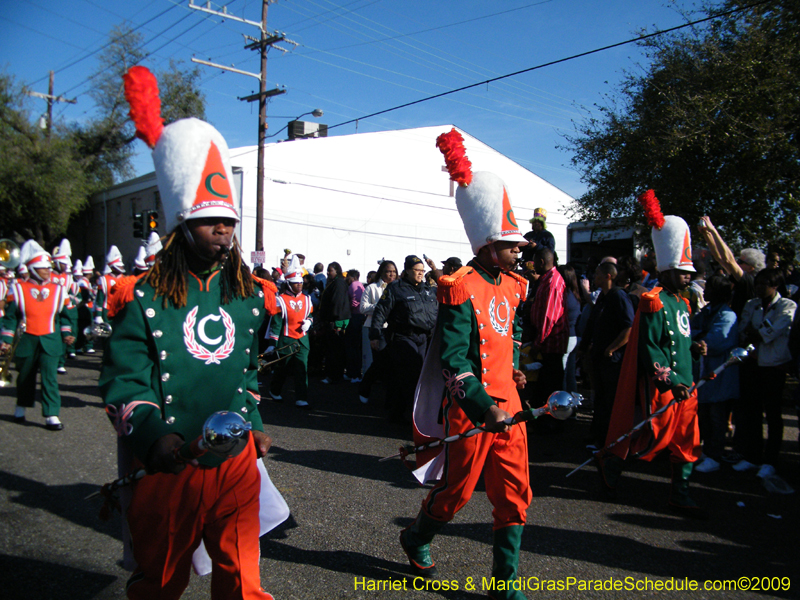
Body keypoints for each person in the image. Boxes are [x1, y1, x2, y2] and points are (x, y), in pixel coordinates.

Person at [98, 66, 278, 600]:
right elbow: (126, 386)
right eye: (209, 220)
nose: (223, 228)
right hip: (170, 461)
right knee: (160, 580)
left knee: (244, 580)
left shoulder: (249, 295)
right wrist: (156, 438)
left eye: (229, 219)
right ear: (180, 226)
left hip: (235, 460)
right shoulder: (143, 295)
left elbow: (246, 373)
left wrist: (256, 422)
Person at [401, 129, 530, 599]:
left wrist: (514, 367)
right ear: (486, 244)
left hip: (511, 408)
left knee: (515, 497)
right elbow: (454, 363)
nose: (520, 251)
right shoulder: (459, 285)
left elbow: (507, 336)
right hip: (474, 411)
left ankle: (505, 584)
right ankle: (416, 536)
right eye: (511, 243)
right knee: (455, 495)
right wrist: (481, 406)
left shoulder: (515, 285)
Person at [598, 190, 708, 517]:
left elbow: (682, 341)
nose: (688, 276)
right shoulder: (653, 301)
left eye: (690, 272)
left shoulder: (684, 302)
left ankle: (680, 494)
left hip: (687, 387)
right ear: (667, 269)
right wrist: (671, 380)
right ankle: (611, 464)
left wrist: (697, 347)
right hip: (663, 387)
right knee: (648, 434)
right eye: (682, 271)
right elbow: (650, 347)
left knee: (687, 442)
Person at [1, 240, 75, 430]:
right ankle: (21, 406)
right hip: (27, 340)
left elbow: (65, 317)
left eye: (48, 267)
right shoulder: (17, 289)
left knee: (50, 378)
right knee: (25, 376)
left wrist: (66, 333)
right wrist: (6, 340)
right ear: (33, 269)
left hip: (50, 340)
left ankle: (52, 414)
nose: (47, 271)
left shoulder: (59, 290)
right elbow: (10, 318)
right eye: (43, 268)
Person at [735, 268, 796, 477]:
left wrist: (758, 332)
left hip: (773, 366)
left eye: (764, 284)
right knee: (751, 411)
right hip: (752, 364)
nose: (759, 287)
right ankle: (752, 456)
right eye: (758, 283)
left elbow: (772, 330)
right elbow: (743, 328)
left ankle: (770, 460)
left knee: (772, 413)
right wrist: (755, 333)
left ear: (775, 285)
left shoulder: (787, 305)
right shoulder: (751, 304)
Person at [369, 255, 437, 423]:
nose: (421, 274)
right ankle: (415, 416)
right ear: (407, 271)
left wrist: (434, 269)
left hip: (424, 337)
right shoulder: (395, 288)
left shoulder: (428, 289)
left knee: (411, 376)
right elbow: (380, 312)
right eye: (417, 270)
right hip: (403, 337)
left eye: (423, 271)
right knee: (411, 374)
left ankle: (397, 411)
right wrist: (375, 335)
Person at [580, 261, 634, 449]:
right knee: (600, 398)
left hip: (612, 360)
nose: (594, 278)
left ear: (608, 276)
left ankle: (608, 441)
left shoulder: (619, 297)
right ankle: (597, 435)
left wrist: (612, 348)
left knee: (609, 400)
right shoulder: (603, 298)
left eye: (597, 275)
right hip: (598, 358)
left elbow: (629, 327)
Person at [690, 275, 739, 473]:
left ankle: (715, 455)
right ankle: (704, 450)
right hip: (704, 372)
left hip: (719, 372)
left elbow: (717, 341)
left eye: (709, 287)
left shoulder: (727, 315)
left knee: (717, 416)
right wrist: (699, 335)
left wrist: (701, 337)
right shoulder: (706, 312)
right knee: (703, 415)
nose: (705, 291)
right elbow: (690, 330)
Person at [697, 216, 765, 316]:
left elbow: (729, 260)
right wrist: (706, 233)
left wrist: (713, 230)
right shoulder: (739, 279)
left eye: (741, 261)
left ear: (751, 268)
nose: (737, 263)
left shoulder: (750, 281)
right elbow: (719, 257)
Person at [528, 246, 568, 409]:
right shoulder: (547, 279)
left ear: (542, 262)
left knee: (549, 387)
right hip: (547, 343)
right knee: (545, 385)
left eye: (535, 262)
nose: (533, 266)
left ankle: (550, 422)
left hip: (550, 345)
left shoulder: (552, 283)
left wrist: (537, 343)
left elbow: (548, 318)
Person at [267, 268, 313, 408]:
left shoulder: (307, 298)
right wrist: (272, 342)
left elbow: (310, 315)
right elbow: (276, 323)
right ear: (288, 283)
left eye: (300, 282)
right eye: (295, 283)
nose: (299, 285)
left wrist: (309, 322)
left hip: (303, 339)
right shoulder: (280, 300)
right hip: (286, 339)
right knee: (283, 368)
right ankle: (274, 390)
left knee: (302, 369)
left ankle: (301, 397)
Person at [358, 260, 397, 404]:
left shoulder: (398, 287)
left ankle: (389, 398)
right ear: (381, 272)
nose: (391, 274)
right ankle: (365, 386)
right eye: (388, 271)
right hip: (375, 328)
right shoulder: (372, 288)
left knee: (390, 363)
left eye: (393, 271)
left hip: (393, 329)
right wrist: (382, 307)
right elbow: (362, 308)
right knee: (380, 362)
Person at [318, 262, 349, 384]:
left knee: (335, 350)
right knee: (333, 349)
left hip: (337, 321)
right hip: (333, 320)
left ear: (337, 271)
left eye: (330, 270)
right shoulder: (334, 283)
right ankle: (334, 374)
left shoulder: (339, 283)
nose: (328, 273)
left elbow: (337, 302)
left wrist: (333, 319)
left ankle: (334, 375)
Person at [344, 269, 365, 382]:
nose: (347, 278)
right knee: (354, 346)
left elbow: (355, 301)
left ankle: (355, 374)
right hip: (358, 317)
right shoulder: (360, 285)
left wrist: (347, 310)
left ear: (352, 277)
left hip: (355, 317)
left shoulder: (353, 285)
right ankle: (352, 372)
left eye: (348, 276)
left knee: (353, 346)